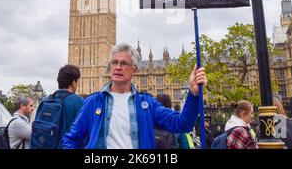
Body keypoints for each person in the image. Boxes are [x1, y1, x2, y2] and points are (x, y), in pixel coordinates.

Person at [62, 43, 207, 149]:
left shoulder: (148, 103)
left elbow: (183, 124)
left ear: (135, 70)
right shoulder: (93, 102)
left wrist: (194, 94)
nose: (118, 67)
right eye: (114, 63)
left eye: (124, 63)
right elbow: (71, 139)